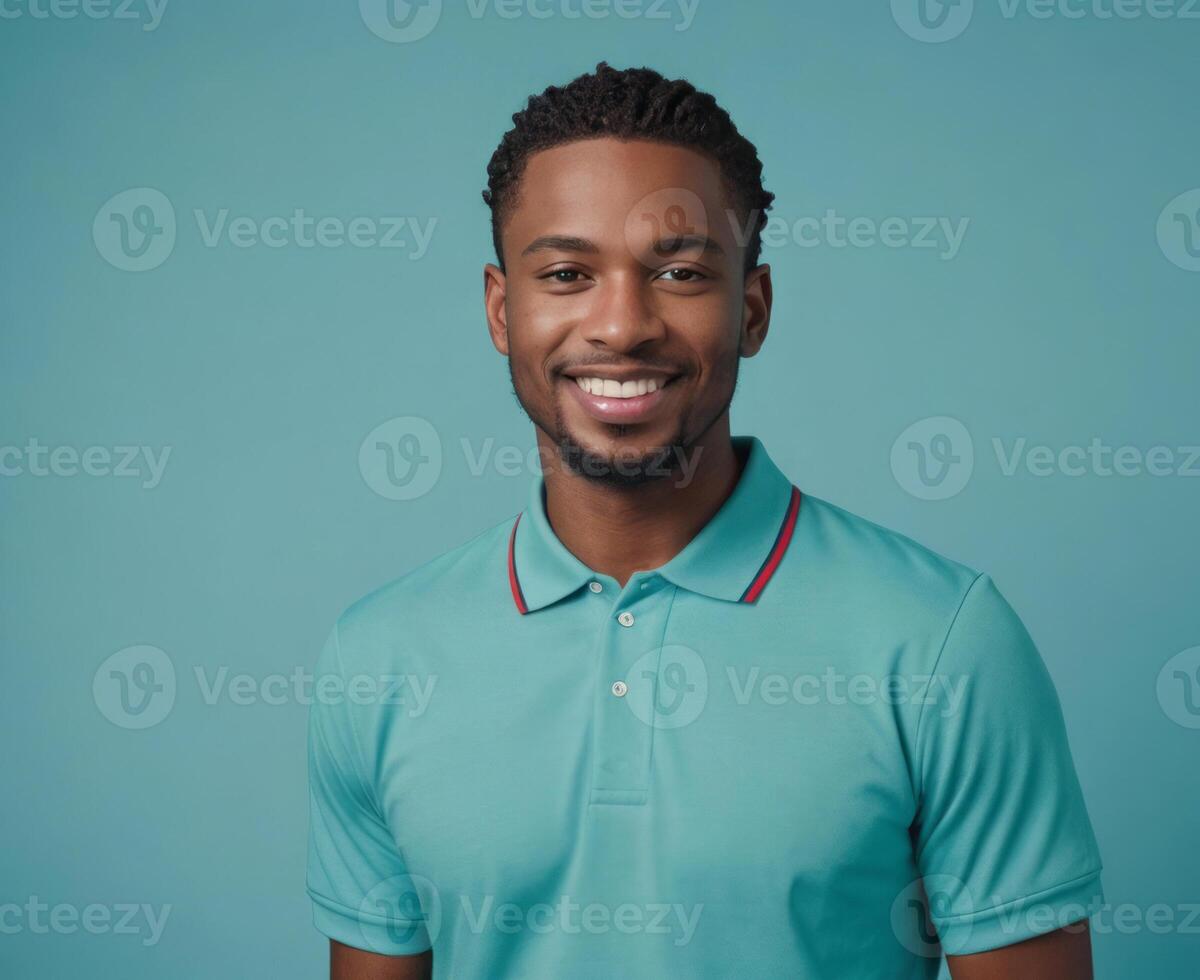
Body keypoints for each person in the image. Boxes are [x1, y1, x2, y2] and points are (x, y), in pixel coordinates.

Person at [307, 62, 1103, 979]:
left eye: (679, 273)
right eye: (566, 273)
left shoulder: (942, 641)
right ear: (500, 308)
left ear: (751, 309)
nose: (620, 325)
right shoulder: (379, 656)